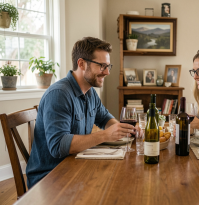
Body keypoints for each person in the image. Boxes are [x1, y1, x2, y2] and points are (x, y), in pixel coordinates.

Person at [26, 37, 136, 188]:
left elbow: (104, 118)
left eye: (108, 66)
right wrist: (105, 135)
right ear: (81, 64)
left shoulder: (90, 92)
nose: (107, 72)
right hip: (49, 179)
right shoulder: (59, 94)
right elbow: (58, 146)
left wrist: (125, 129)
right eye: (102, 66)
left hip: (75, 166)